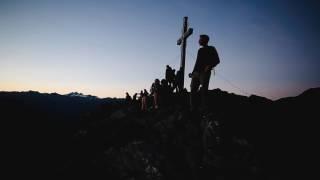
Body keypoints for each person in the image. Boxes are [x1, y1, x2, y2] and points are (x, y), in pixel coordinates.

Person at [189, 34, 220, 112]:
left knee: (204, 90)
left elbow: (217, 60)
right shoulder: (200, 50)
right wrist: (193, 73)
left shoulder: (211, 48)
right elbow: (197, 62)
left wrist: (209, 66)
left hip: (204, 73)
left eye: (200, 39)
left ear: (205, 40)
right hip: (196, 73)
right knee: (193, 90)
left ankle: (204, 108)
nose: (199, 41)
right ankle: (193, 108)